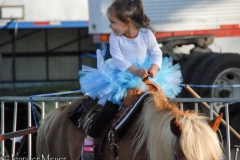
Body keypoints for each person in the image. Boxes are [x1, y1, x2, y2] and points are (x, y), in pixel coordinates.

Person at [78, 0, 182, 159]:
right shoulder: (115, 38)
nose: (111, 26)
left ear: (127, 22)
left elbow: (156, 53)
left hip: (147, 74)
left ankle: (171, 142)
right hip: (123, 75)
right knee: (110, 107)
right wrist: (137, 71)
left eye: (113, 22)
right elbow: (119, 60)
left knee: (163, 106)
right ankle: (90, 140)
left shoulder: (147, 34)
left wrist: (154, 67)